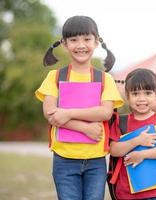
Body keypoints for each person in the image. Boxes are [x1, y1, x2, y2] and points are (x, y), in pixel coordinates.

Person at [35, 15, 123, 200]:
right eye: (74, 40)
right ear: (65, 44)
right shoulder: (55, 77)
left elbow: (105, 112)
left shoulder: (105, 79)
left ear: (97, 42)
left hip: (96, 160)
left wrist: (67, 113)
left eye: (86, 39)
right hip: (64, 159)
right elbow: (51, 114)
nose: (80, 45)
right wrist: (85, 127)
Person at [109, 68, 156, 200]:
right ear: (127, 95)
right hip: (127, 192)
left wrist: (142, 155)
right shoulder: (121, 121)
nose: (142, 99)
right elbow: (114, 150)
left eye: (147, 93)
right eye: (135, 94)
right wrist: (137, 141)